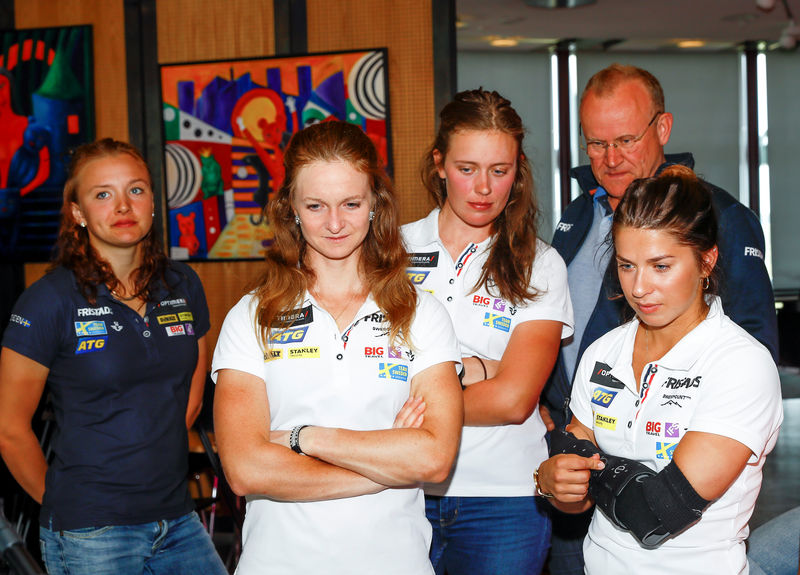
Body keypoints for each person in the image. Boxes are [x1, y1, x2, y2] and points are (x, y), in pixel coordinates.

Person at [542, 63, 779, 574]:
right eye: (625, 265)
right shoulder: (603, 351)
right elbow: (573, 471)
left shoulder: (739, 360)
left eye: (661, 265)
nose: (639, 286)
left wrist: (566, 462)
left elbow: (654, 511)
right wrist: (557, 472)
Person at [211, 120, 463, 575]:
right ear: (291, 208)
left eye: (351, 203)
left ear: (375, 205)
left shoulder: (421, 314)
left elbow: (434, 457)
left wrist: (301, 437)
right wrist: (384, 464)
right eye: (315, 205)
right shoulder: (250, 317)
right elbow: (246, 469)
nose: (334, 223)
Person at [0, 138, 227, 575]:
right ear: (78, 213)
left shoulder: (184, 284)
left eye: (136, 190)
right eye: (103, 194)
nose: (123, 206)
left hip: (178, 518)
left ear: (154, 202)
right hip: (93, 531)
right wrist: (69, 508)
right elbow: (10, 431)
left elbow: (191, 399)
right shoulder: (47, 301)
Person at [402, 89, 574, 575]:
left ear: (518, 171)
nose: (483, 188)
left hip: (504, 499)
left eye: (499, 171)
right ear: (439, 164)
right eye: (467, 168)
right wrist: (479, 371)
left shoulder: (540, 263)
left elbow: (514, 401)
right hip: (402, 489)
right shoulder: (390, 252)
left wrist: (404, 405)